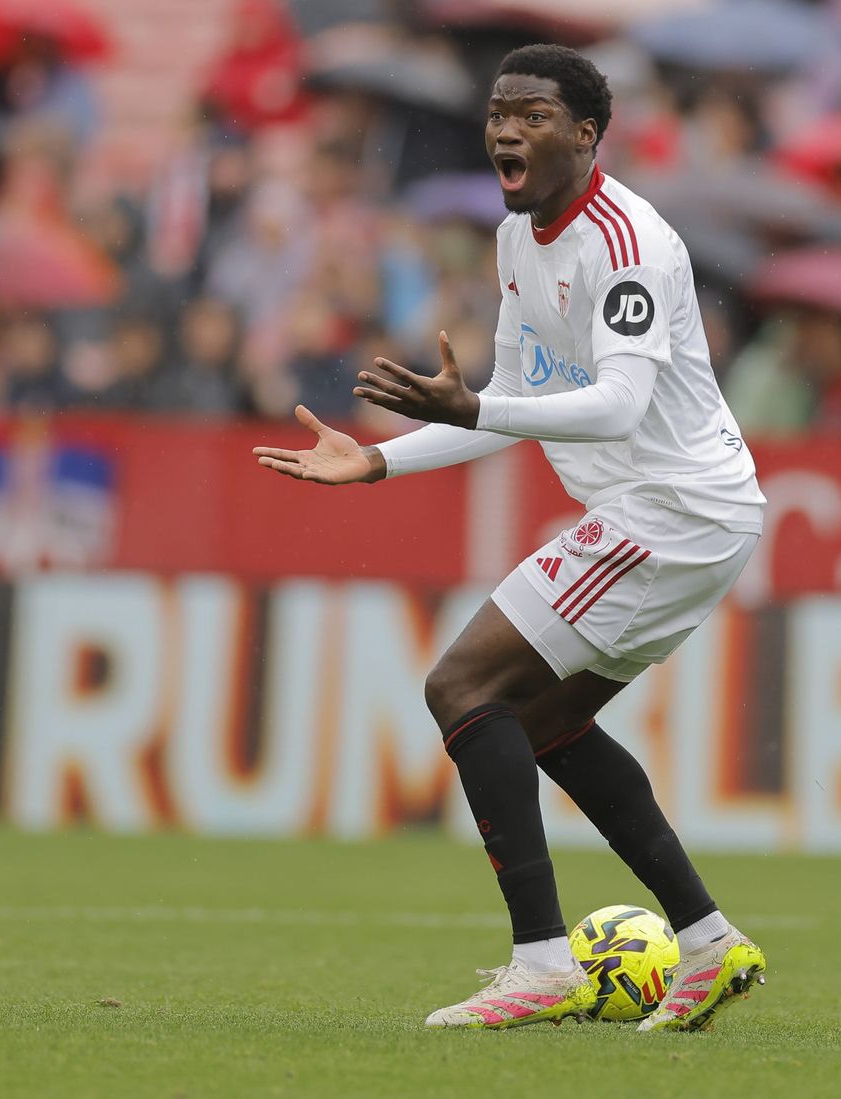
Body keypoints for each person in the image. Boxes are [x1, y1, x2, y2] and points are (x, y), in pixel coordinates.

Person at [253, 44, 768, 1033]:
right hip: (672, 510)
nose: (505, 129)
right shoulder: (516, 238)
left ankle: (541, 961)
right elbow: (515, 405)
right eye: (498, 112)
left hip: (672, 507)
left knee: (460, 687)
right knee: (540, 723)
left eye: (531, 114)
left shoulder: (627, 242)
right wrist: (379, 460)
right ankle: (706, 941)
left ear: (584, 133)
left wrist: (483, 405)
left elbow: (615, 404)